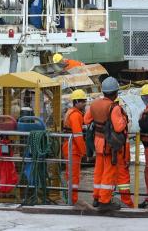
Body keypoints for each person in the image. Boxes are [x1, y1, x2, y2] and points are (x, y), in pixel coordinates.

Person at [84, 77, 128, 211]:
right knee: (109, 172)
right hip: (108, 145)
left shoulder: (94, 104)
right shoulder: (114, 107)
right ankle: (105, 201)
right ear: (115, 92)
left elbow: (86, 120)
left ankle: (96, 198)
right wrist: (124, 119)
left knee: (99, 171)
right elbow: (119, 127)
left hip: (97, 143)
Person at [62, 89, 88, 204]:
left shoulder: (71, 112)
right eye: (82, 101)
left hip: (69, 147)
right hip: (73, 149)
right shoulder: (76, 115)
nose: (84, 104)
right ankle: (72, 200)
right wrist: (84, 151)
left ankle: (70, 199)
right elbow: (78, 135)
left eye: (84, 101)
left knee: (70, 175)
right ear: (76, 102)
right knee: (74, 176)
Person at [113, 97, 134, 208]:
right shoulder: (122, 116)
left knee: (110, 175)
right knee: (123, 179)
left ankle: (106, 199)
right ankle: (127, 203)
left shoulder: (110, 114)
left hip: (112, 150)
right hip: (121, 151)